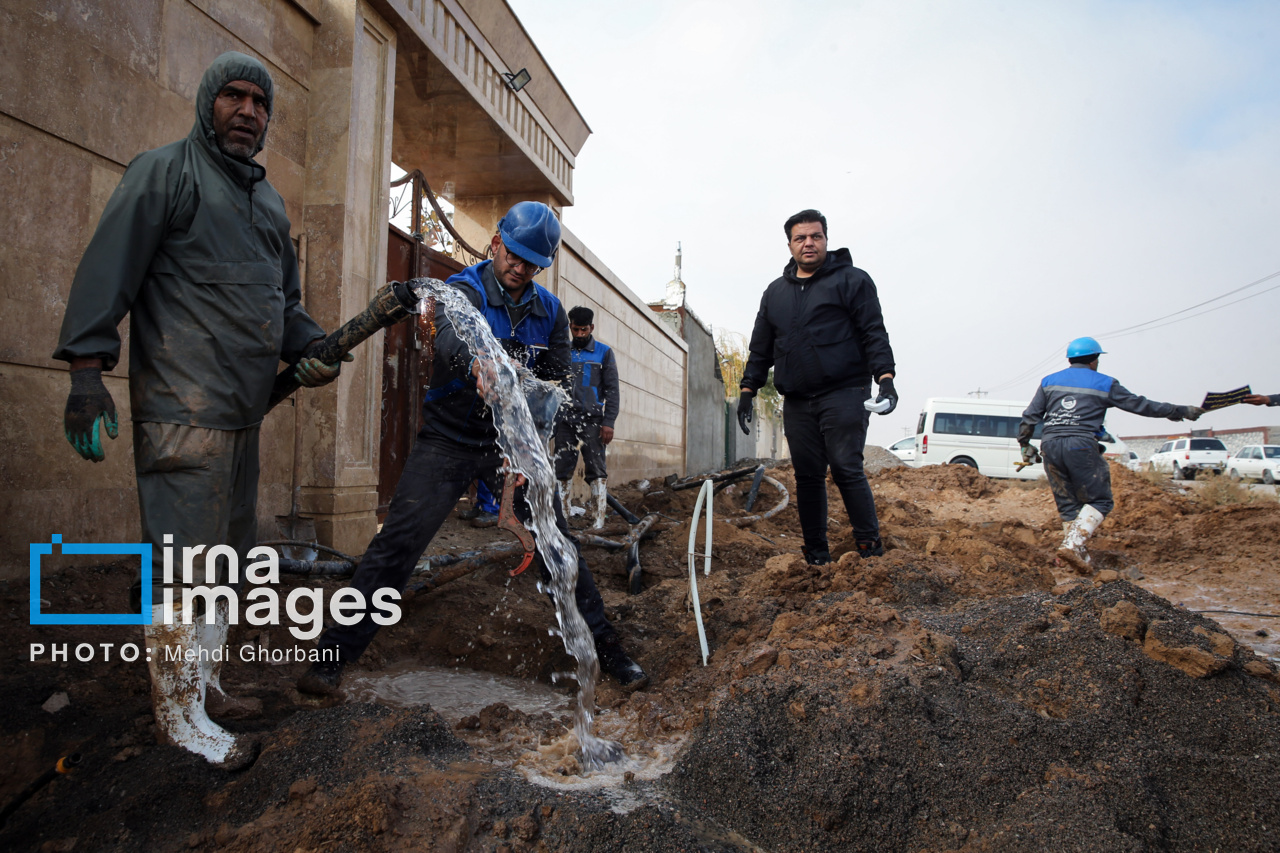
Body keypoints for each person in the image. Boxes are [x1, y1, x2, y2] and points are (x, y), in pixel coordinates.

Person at [52, 53, 347, 769]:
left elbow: (283, 307)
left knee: (224, 565)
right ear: (206, 102)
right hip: (180, 414)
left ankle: (203, 688)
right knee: (184, 570)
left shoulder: (269, 205)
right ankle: (178, 719)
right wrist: (86, 373)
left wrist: (310, 344)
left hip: (243, 419)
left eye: (260, 102)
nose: (248, 111)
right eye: (233, 97)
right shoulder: (164, 173)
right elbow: (107, 270)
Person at [296, 202, 648, 696]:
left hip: (514, 447)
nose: (518, 268)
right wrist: (479, 365)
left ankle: (610, 653)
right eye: (513, 255)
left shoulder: (550, 314)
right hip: (448, 441)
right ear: (496, 240)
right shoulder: (463, 288)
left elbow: (558, 381)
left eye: (530, 264)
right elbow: (449, 341)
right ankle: (331, 658)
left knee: (559, 548)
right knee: (396, 547)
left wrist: (530, 423)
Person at [739, 209, 898, 565]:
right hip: (797, 399)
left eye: (815, 236)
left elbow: (874, 332)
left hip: (844, 392)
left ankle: (869, 548)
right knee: (808, 477)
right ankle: (816, 554)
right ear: (790, 245)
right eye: (800, 238)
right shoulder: (775, 293)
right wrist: (748, 390)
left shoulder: (852, 281)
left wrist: (885, 378)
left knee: (845, 467)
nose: (808, 243)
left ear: (826, 239)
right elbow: (761, 347)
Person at [1019, 337, 1205, 572]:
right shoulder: (1105, 383)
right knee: (1100, 500)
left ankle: (1078, 559)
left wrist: (1025, 444)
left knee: (1068, 505)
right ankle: (1073, 544)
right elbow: (1140, 405)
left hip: (1051, 444)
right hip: (1081, 445)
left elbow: (1030, 416)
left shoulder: (1049, 382)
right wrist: (1178, 411)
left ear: (1069, 359)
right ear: (1095, 360)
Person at [553, 306, 620, 529]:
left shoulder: (604, 352)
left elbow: (612, 389)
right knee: (562, 468)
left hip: (592, 420)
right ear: (570, 327)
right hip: (565, 419)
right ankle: (562, 517)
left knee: (596, 469)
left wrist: (608, 422)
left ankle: (598, 519)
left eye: (584, 330)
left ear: (591, 327)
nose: (580, 334)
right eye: (575, 329)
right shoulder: (562, 351)